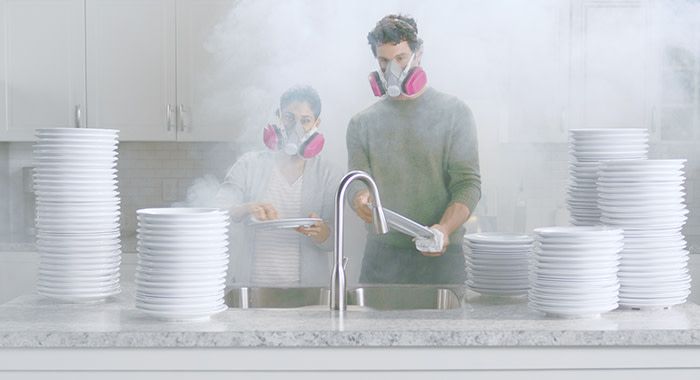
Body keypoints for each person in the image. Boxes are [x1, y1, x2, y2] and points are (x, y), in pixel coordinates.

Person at [346, 15, 481, 284]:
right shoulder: (362, 123)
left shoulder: (455, 113)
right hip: (382, 258)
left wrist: (443, 229)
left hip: (442, 256)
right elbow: (355, 181)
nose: (392, 70)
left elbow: (468, 184)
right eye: (384, 62)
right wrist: (359, 198)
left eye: (400, 59)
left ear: (418, 56)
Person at [217, 85, 339, 286]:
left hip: (308, 291)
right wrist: (246, 208)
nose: (296, 127)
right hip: (253, 287)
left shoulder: (328, 173)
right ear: (278, 117)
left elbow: (335, 240)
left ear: (316, 123)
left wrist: (322, 232)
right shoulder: (249, 164)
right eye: (289, 117)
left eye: (305, 120)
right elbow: (218, 209)